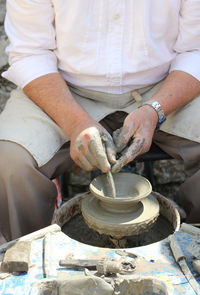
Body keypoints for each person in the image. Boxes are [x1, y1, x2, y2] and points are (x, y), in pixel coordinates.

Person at [0, 1, 199, 241]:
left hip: (165, 87)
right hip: (63, 88)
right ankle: (28, 259)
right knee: (10, 162)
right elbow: (30, 53)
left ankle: (192, 252)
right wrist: (74, 122)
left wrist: (154, 110)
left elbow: (195, 51)